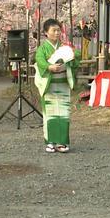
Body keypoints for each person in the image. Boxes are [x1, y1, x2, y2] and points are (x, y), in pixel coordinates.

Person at [34, 19, 81, 153]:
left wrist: (72, 56)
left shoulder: (64, 46)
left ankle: (62, 142)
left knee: (63, 113)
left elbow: (76, 56)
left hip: (63, 84)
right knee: (50, 113)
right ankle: (50, 141)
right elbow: (39, 60)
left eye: (58, 30)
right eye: (53, 30)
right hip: (49, 85)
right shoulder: (42, 49)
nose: (57, 33)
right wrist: (49, 66)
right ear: (46, 33)